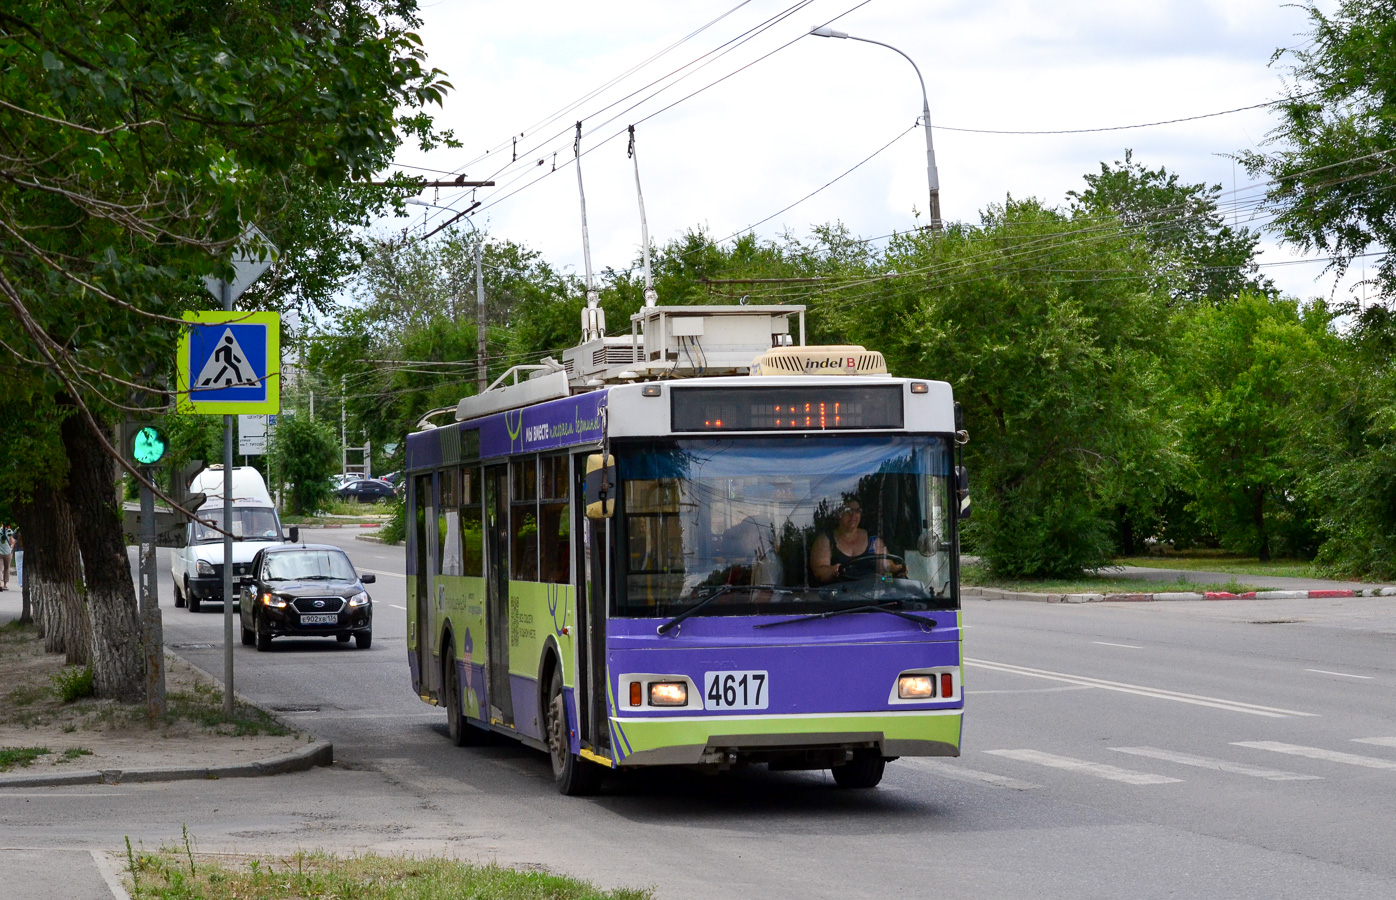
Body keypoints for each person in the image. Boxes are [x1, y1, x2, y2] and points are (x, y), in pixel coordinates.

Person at [810, 499, 906, 584]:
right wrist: (833, 570)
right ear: (838, 514)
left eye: (857, 511)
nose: (853, 515)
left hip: (872, 595)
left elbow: (887, 569)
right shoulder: (826, 539)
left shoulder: (872, 539)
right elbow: (820, 573)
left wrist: (897, 570)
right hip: (838, 598)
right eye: (848, 511)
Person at [0, 524, 12, 591]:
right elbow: (11, 541)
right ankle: (5, 585)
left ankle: (0, 583)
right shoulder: (10, 531)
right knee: (6, 568)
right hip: (7, 552)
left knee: (0, 569)